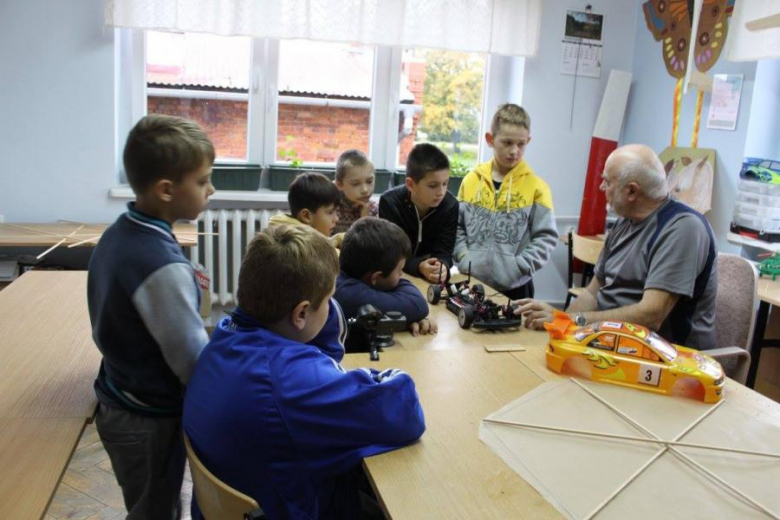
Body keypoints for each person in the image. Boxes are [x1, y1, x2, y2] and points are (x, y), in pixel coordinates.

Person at [183, 224, 426, 519]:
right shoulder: (292, 383)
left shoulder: (223, 337)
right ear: (300, 313)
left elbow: (317, 360)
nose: (330, 308)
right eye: (327, 301)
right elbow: (405, 412)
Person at [87, 114, 214, 518]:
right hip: (145, 419)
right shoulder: (160, 265)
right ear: (165, 190)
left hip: (120, 387)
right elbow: (191, 360)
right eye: (202, 180)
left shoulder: (122, 230)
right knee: (155, 509)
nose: (211, 189)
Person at [517, 144, 718, 351]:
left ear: (631, 191)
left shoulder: (683, 228)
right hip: (612, 342)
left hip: (665, 357)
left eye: (607, 181)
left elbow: (651, 316)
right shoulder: (625, 221)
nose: (602, 187)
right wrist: (561, 322)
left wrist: (574, 321)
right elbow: (592, 294)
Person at [454, 103, 558, 300]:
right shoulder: (471, 180)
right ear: (490, 139)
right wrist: (463, 257)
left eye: (521, 144)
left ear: (528, 140)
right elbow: (457, 227)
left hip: (517, 288)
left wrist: (520, 266)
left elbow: (545, 238)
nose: (514, 151)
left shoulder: (538, 187)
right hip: (471, 282)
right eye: (507, 143)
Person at [335, 217, 436, 336]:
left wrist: (409, 317)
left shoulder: (341, 278)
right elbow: (417, 304)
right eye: (399, 271)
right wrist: (411, 314)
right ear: (376, 277)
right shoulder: (349, 295)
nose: (402, 275)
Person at [379, 143, 459, 283]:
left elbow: (445, 251)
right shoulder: (389, 203)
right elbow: (391, 253)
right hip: (396, 276)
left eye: (445, 183)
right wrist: (419, 266)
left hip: (428, 281)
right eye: (432, 185)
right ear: (410, 184)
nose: (441, 192)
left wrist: (442, 266)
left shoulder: (450, 205)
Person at [269, 171, 344, 248]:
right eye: (330, 212)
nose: (336, 218)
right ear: (306, 216)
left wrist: (335, 240)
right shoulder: (301, 252)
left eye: (336, 212)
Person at [333, 149, 378, 234]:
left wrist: (365, 218)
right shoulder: (330, 207)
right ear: (339, 185)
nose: (365, 190)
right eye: (355, 184)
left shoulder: (374, 209)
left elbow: (371, 243)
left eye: (369, 181)